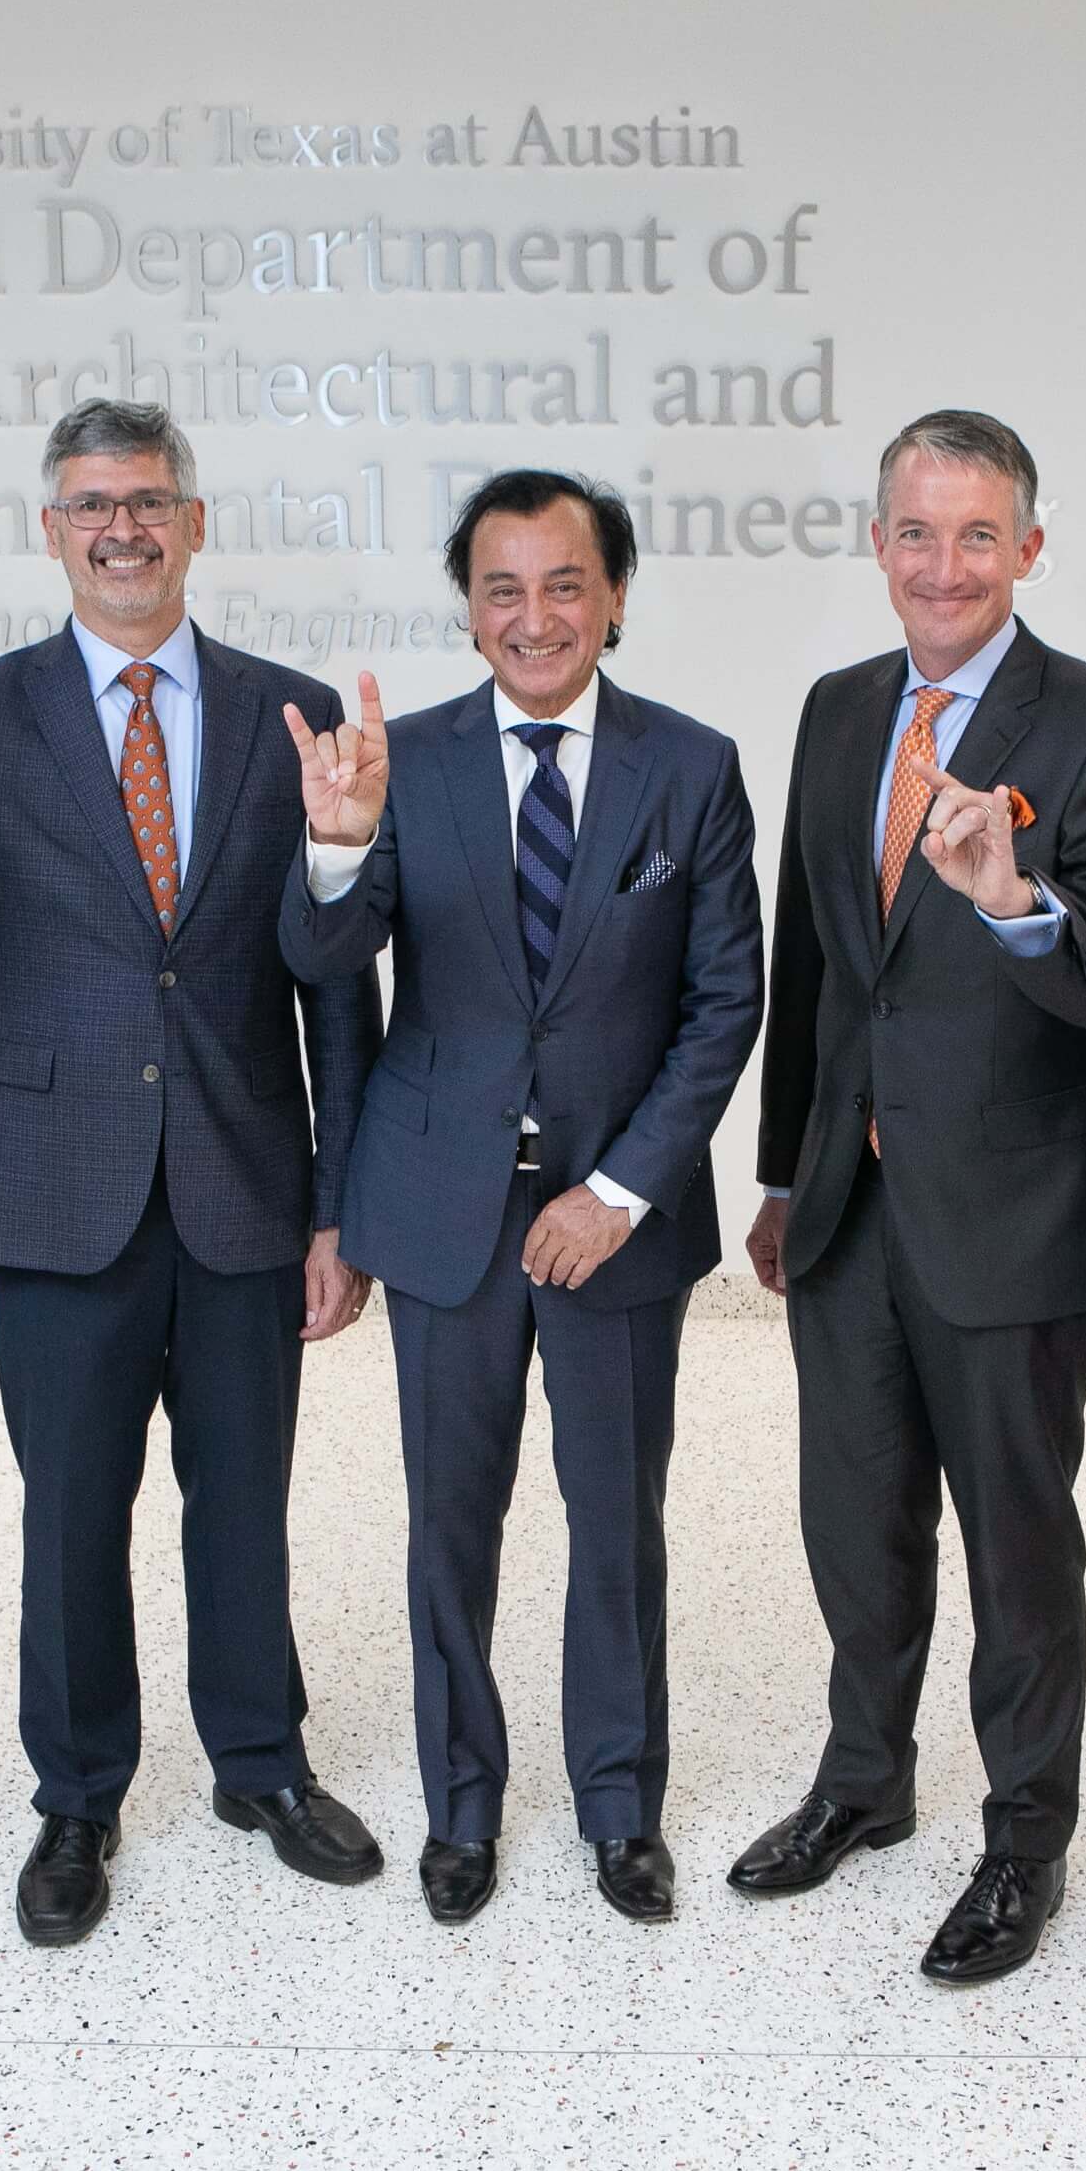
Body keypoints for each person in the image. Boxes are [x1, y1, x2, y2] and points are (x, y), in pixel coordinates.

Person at [0, 399, 386, 1947]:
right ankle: (78, 1793)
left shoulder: (291, 709)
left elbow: (333, 977)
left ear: (195, 520)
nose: (121, 525)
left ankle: (259, 1764)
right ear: (52, 532)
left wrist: (342, 1201)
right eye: (89, 504)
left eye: (148, 499)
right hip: (57, 1183)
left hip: (249, 1178)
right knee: (72, 1511)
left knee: (243, 1495)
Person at [729, 410, 1086, 1986]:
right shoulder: (840, 711)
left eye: (978, 535)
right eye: (915, 533)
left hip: (1015, 1213)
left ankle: (1024, 1841)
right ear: (879, 543)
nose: (944, 564)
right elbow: (814, 966)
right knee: (856, 1525)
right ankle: (865, 1781)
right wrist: (785, 1170)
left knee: (1014, 1545)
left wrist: (1017, 900)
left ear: (1030, 549)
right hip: (850, 1208)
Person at [277, 472, 764, 1925]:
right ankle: (462, 1805)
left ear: (615, 595)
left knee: (616, 1517)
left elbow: (723, 999)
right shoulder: (399, 759)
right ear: (469, 606)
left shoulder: (691, 764)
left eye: (566, 584)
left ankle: (620, 1806)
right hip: (443, 1210)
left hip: (617, 1215)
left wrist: (619, 1187)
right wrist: (339, 842)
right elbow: (324, 962)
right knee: (452, 1520)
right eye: (503, 588)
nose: (535, 616)